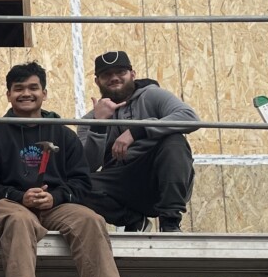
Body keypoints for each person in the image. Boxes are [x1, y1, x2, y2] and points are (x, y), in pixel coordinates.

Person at [0, 62, 134, 277]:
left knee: (91, 219)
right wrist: (19, 196)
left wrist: (55, 196)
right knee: (19, 220)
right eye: (18, 88)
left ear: (44, 93)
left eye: (33, 87)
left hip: (56, 206)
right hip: (10, 204)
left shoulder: (62, 134)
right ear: (8, 94)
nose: (26, 93)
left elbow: (82, 182)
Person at [78, 50, 199, 233]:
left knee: (175, 141)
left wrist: (138, 130)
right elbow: (87, 167)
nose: (114, 78)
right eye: (106, 75)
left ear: (132, 74)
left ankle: (170, 223)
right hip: (121, 184)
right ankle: (134, 221)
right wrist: (99, 124)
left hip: (159, 179)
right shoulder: (90, 119)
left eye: (121, 72)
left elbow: (190, 118)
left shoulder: (153, 96)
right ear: (97, 81)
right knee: (73, 184)